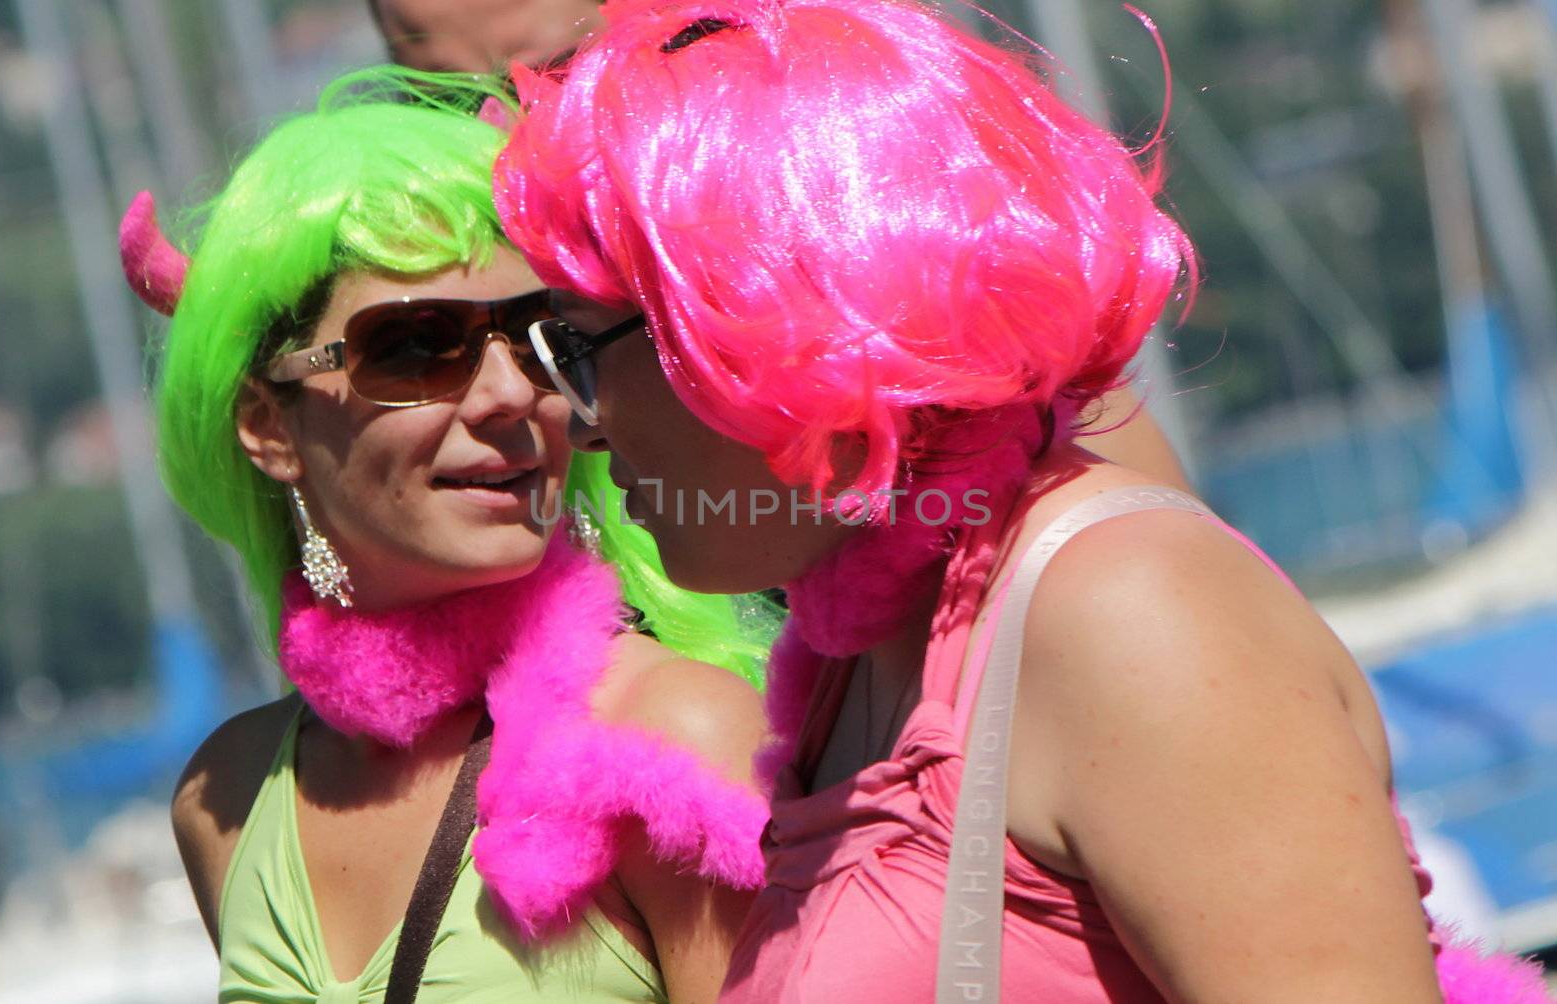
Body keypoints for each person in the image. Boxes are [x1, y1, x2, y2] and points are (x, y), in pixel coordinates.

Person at [491, 1, 1551, 1000]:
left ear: (756, 321)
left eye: (581, 346)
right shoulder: (861, 656)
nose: (575, 419)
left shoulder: (1117, 606)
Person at [128, 73, 774, 1003]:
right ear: (270, 426)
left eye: (537, 336)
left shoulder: (672, 740)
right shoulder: (223, 799)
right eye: (416, 346)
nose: (511, 394)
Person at [365, 0, 1193, 492]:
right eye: (448, 102)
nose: (510, 138)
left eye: (567, 72)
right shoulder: (446, 363)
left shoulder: (952, 360)